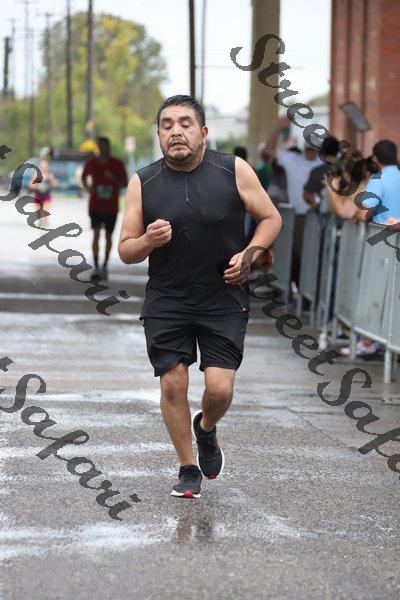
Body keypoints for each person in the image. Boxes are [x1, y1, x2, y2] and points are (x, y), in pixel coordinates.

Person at [118, 95, 282, 499]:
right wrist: (147, 240)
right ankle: (187, 466)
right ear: (158, 134)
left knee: (220, 389)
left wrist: (250, 254)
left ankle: (206, 429)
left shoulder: (233, 169)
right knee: (173, 384)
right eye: (167, 125)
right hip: (168, 297)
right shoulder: (143, 181)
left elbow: (270, 217)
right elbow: (126, 251)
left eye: (185, 123)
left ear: (203, 132)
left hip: (222, 294)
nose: (176, 131)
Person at [265, 115, 322, 284]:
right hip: (299, 217)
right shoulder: (292, 160)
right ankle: (296, 288)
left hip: (321, 216)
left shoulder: (325, 163)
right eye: (309, 147)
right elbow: (269, 149)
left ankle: (308, 291)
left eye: (314, 148)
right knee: (298, 254)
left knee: (316, 256)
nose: (311, 151)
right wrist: (278, 127)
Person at [82, 137, 128, 280]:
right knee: (96, 234)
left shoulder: (117, 163)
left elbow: (125, 183)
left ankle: (105, 266)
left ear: (109, 147)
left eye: (105, 146)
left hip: (111, 207)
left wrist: (113, 178)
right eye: (100, 146)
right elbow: (83, 177)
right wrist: (88, 187)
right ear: (98, 147)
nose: (103, 149)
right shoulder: (91, 162)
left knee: (108, 236)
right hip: (95, 205)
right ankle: (96, 266)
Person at [360, 140, 400, 225]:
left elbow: (364, 214)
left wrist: (355, 214)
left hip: (383, 232)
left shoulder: (377, 179)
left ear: (375, 158)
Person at [304, 136, 340, 214]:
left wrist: (316, 201)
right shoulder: (346, 170)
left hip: (323, 215)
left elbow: (307, 195)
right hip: (345, 215)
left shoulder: (317, 171)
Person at [29, 159, 58, 228]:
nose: (44, 167)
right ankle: (40, 221)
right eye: (42, 165)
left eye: (45, 165)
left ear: (47, 167)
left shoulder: (50, 175)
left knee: (46, 211)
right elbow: (30, 185)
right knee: (39, 213)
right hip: (38, 195)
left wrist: (51, 180)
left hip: (46, 196)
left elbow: (55, 185)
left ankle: (46, 226)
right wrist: (37, 186)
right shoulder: (36, 175)